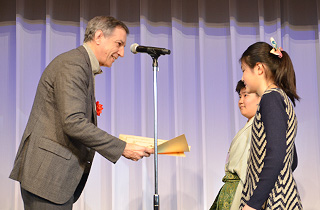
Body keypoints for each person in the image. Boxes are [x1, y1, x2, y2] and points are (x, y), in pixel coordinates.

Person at [9, 16, 154, 210]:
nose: (121, 53)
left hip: (52, 179)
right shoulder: (73, 65)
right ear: (99, 36)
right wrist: (123, 148)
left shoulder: (81, 65)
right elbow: (73, 122)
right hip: (46, 178)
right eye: (119, 44)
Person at [239, 39, 302, 210]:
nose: (243, 77)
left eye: (244, 70)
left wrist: (253, 203)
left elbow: (276, 154)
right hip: (281, 195)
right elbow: (292, 159)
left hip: (274, 201)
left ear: (259, 68)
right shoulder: (280, 97)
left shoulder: (270, 98)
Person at [210, 80, 260, 210]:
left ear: (260, 98)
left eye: (246, 95)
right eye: (240, 96)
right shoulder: (248, 127)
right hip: (231, 190)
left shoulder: (259, 127)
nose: (240, 101)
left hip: (241, 192)